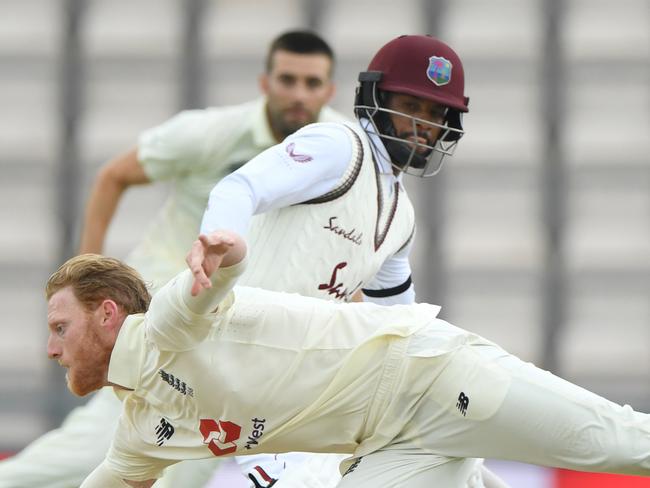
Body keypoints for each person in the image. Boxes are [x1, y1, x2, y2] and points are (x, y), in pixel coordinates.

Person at [0, 29, 346, 488]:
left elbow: (342, 247)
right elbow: (112, 176)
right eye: (288, 80)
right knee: (83, 454)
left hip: (227, 341)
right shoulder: (211, 133)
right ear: (265, 83)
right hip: (158, 319)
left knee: (185, 470)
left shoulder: (340, 151)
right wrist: (85, 276)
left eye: (312, 83)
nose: (299, 95)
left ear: (330, 90)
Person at [45, 229, 650, 488]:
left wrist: (226, 247)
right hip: (391, 446)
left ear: (107, 315)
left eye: (60, 326)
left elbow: (218, 272)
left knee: (623, 445)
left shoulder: (166, 326)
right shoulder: (140, 431)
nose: (51, 348)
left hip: (432, 378)